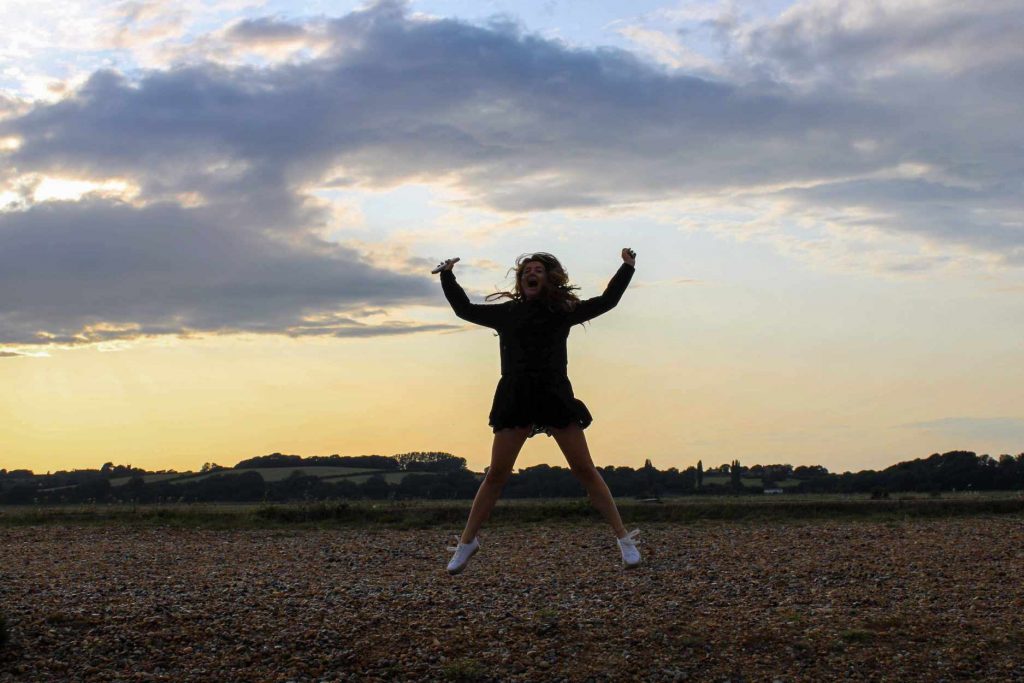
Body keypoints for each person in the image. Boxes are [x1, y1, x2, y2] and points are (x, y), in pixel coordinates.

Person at [436, 248, 642, 574]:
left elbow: (607, 302)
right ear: (522, 281)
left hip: (554, 395)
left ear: (547, 279)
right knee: (496, 475)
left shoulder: (562, 311)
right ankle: (467, 543)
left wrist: (626, 268)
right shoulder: (507, 313)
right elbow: (463, 309)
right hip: (516, 396)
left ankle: (624, 539)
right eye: (526, 270)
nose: (531, 273)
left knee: (585, 470)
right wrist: (448, 276)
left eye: (538, 270)